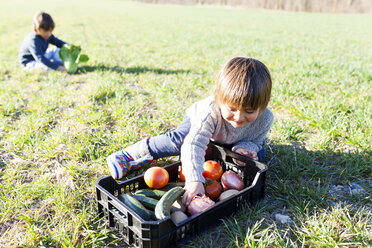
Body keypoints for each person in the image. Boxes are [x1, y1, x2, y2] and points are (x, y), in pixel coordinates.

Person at [107, 57, 274, 206]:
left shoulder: (265, 119)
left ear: (262, 106)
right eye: (232, 109)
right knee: (179, 141)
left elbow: (256, 141)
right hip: (197, 123)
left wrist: (245, 148)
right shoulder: (210, 112)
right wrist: (194, 179)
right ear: (219, 99)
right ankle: (131, 155)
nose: (239, 117)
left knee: (257, 156)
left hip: (226, 138)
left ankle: (230, 149)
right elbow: (193, 144)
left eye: (249, 111)